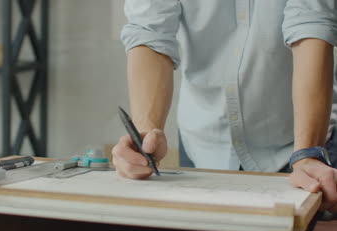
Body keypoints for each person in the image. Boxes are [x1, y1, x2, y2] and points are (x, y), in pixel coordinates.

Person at [112, 0, 337, 211]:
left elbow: (312, 26)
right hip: (202, 141)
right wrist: (146, 136)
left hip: (300, 142)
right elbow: (149, 31)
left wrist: (307, 152)